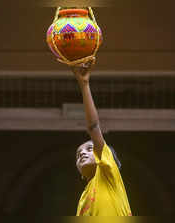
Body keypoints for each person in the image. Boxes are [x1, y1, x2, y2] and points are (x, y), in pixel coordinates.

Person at [72, 57, 132, 216]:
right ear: (79, 172)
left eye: (90, 149)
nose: (83, 153)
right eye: (78, 155)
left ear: (105, 158)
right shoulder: (83, 199)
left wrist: (84, 84)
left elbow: (93, 127)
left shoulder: (107, 173)